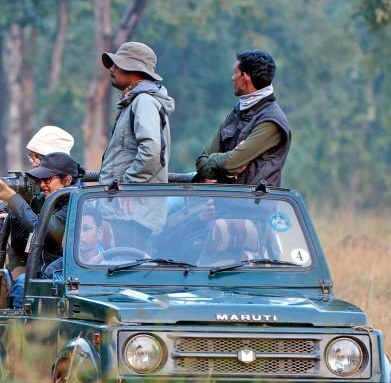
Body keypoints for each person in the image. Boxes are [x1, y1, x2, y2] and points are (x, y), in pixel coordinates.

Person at [98, 41, 175, 247]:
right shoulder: (134, 102)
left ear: (134, 70)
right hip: (125, 212)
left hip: (132, 214)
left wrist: (127, 186)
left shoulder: (144, 102)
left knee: (124, 270)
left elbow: (151, 151)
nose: (112, 69)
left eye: (117, 64)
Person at [0, 152, 84, 307]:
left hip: (66, 275)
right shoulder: (46, 201)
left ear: (67, 180)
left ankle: (23, 330)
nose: (42, 185)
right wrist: (19, 209)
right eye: (41, 180)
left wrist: (16, 201)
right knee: (22, 283)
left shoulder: (75, 205)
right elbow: (19, 244)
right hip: (44, 274)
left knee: (23, 285)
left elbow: (45, 232)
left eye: (48, 179)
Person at [195, 50, 291, 186]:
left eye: (235, 73)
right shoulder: (237, 111)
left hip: (255, 204)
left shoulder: (272, 121)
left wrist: (218, 162)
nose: (232, 78)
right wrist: (224, 163)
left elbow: (231, 163)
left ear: (245, 77)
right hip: (225, 201)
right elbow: (201, 161)